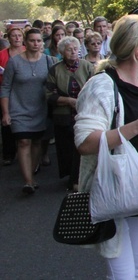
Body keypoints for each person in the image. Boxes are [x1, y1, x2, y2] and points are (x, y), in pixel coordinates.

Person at [74, 15, 138, 279]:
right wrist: (134, 128)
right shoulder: (102, 85)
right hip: (116, 190)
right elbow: (85, 142)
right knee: (123, 275)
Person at [0, 29, 57, 194]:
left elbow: (54, 84)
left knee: (37, 142)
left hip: (40, 108)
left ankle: (31, 174)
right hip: (18, 109)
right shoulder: (15, 62)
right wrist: (5, 113)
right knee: (24, 141)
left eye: (39, 41)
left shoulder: (48, 61)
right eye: (32, 40)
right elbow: (5, 88)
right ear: (26, 41)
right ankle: (28, 182)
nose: (36, 44)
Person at [45, 36, 94, 191]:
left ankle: (79, 179)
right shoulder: (55, 69)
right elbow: (48, 95)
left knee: (82, 145)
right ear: (62, 52)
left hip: (85, 113)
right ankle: (71, 179)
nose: (73, 52)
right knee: (67, 147)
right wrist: (68, 100)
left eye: (76, 49)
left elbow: (95, 88)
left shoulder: (87, 66)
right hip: (64, 115)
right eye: (69, 49)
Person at [0, 25, 25, 166]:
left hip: (25, 93)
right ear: (8, 38)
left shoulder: (28, 52)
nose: (17, 38)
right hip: (7, 92)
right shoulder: (2, 55)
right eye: (14, 36)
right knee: (7, 123)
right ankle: (9, 153)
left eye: (19, 35)